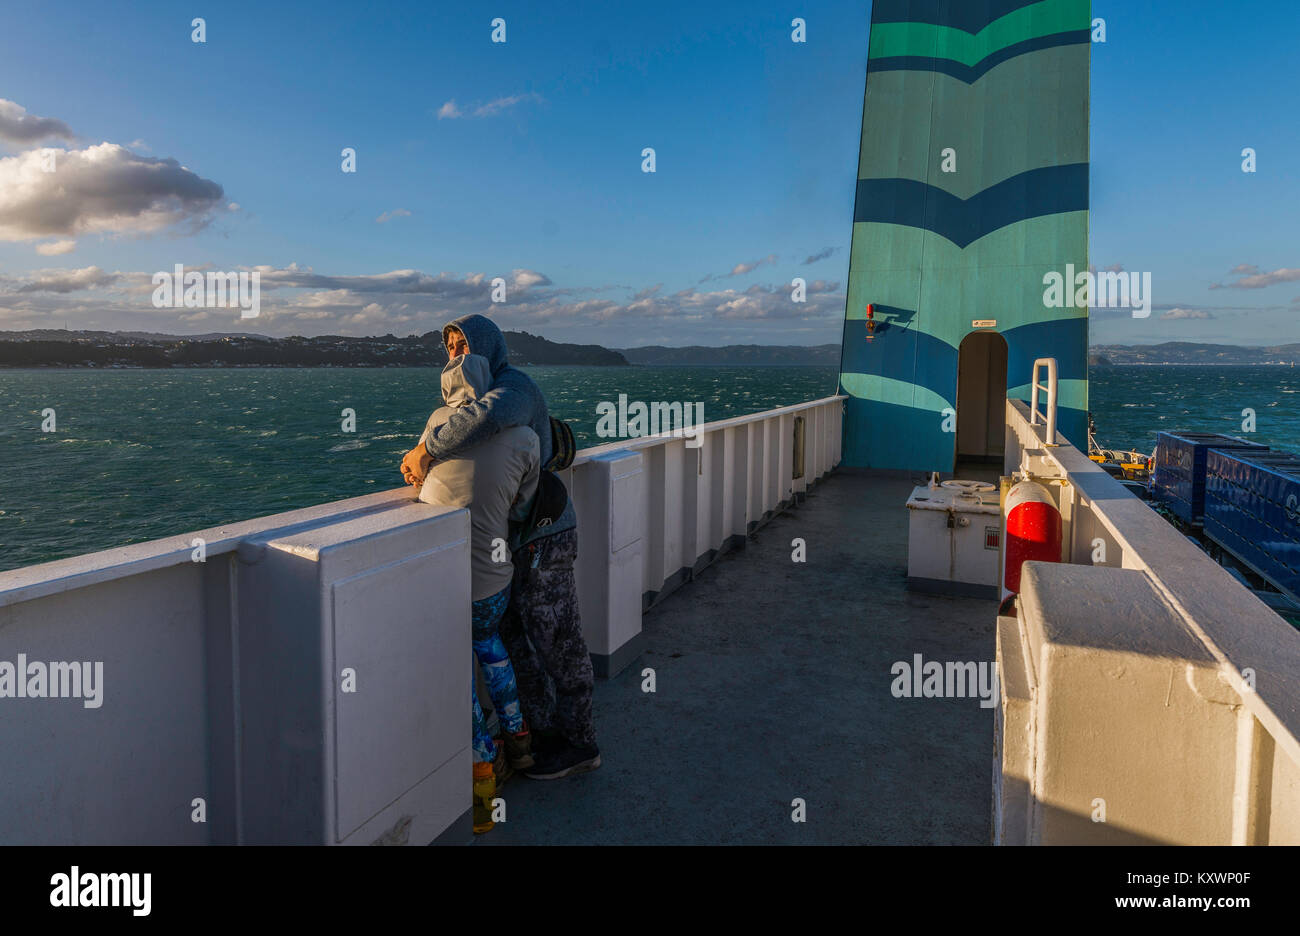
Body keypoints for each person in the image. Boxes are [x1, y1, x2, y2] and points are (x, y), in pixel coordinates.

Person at [401, 313, 599, 780]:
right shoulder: (476, 398)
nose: (456, 354)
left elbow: (483, 418)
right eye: (450, 347)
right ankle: (540, 737)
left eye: (463, 344)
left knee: (558, 644)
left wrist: (426, 449)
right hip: (506, 546)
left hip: (544, 537)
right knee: (515, 644)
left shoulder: (514, 388)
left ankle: (581, 743)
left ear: (488, 346)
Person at [413, 352, 540, 831]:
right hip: (495, 577)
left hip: (449, 580)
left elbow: (421, 477)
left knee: (460, 674)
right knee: (490, 647)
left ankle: (484, 778)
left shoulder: (438, 424)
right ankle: (521, 740)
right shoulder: (526, 437)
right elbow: (523, 504)